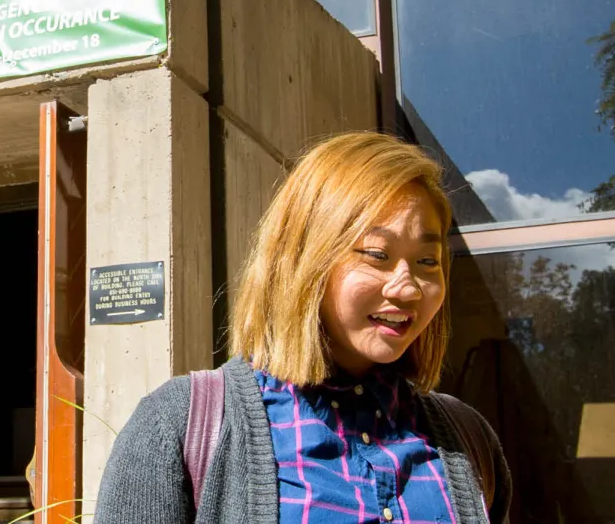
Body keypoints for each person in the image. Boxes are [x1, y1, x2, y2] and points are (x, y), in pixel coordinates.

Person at [95, 131, 511, 523]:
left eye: (427, 262)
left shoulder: (466, 439)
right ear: (304, 261)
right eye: (377, 254)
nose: (407, 289)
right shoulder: (176, 425)